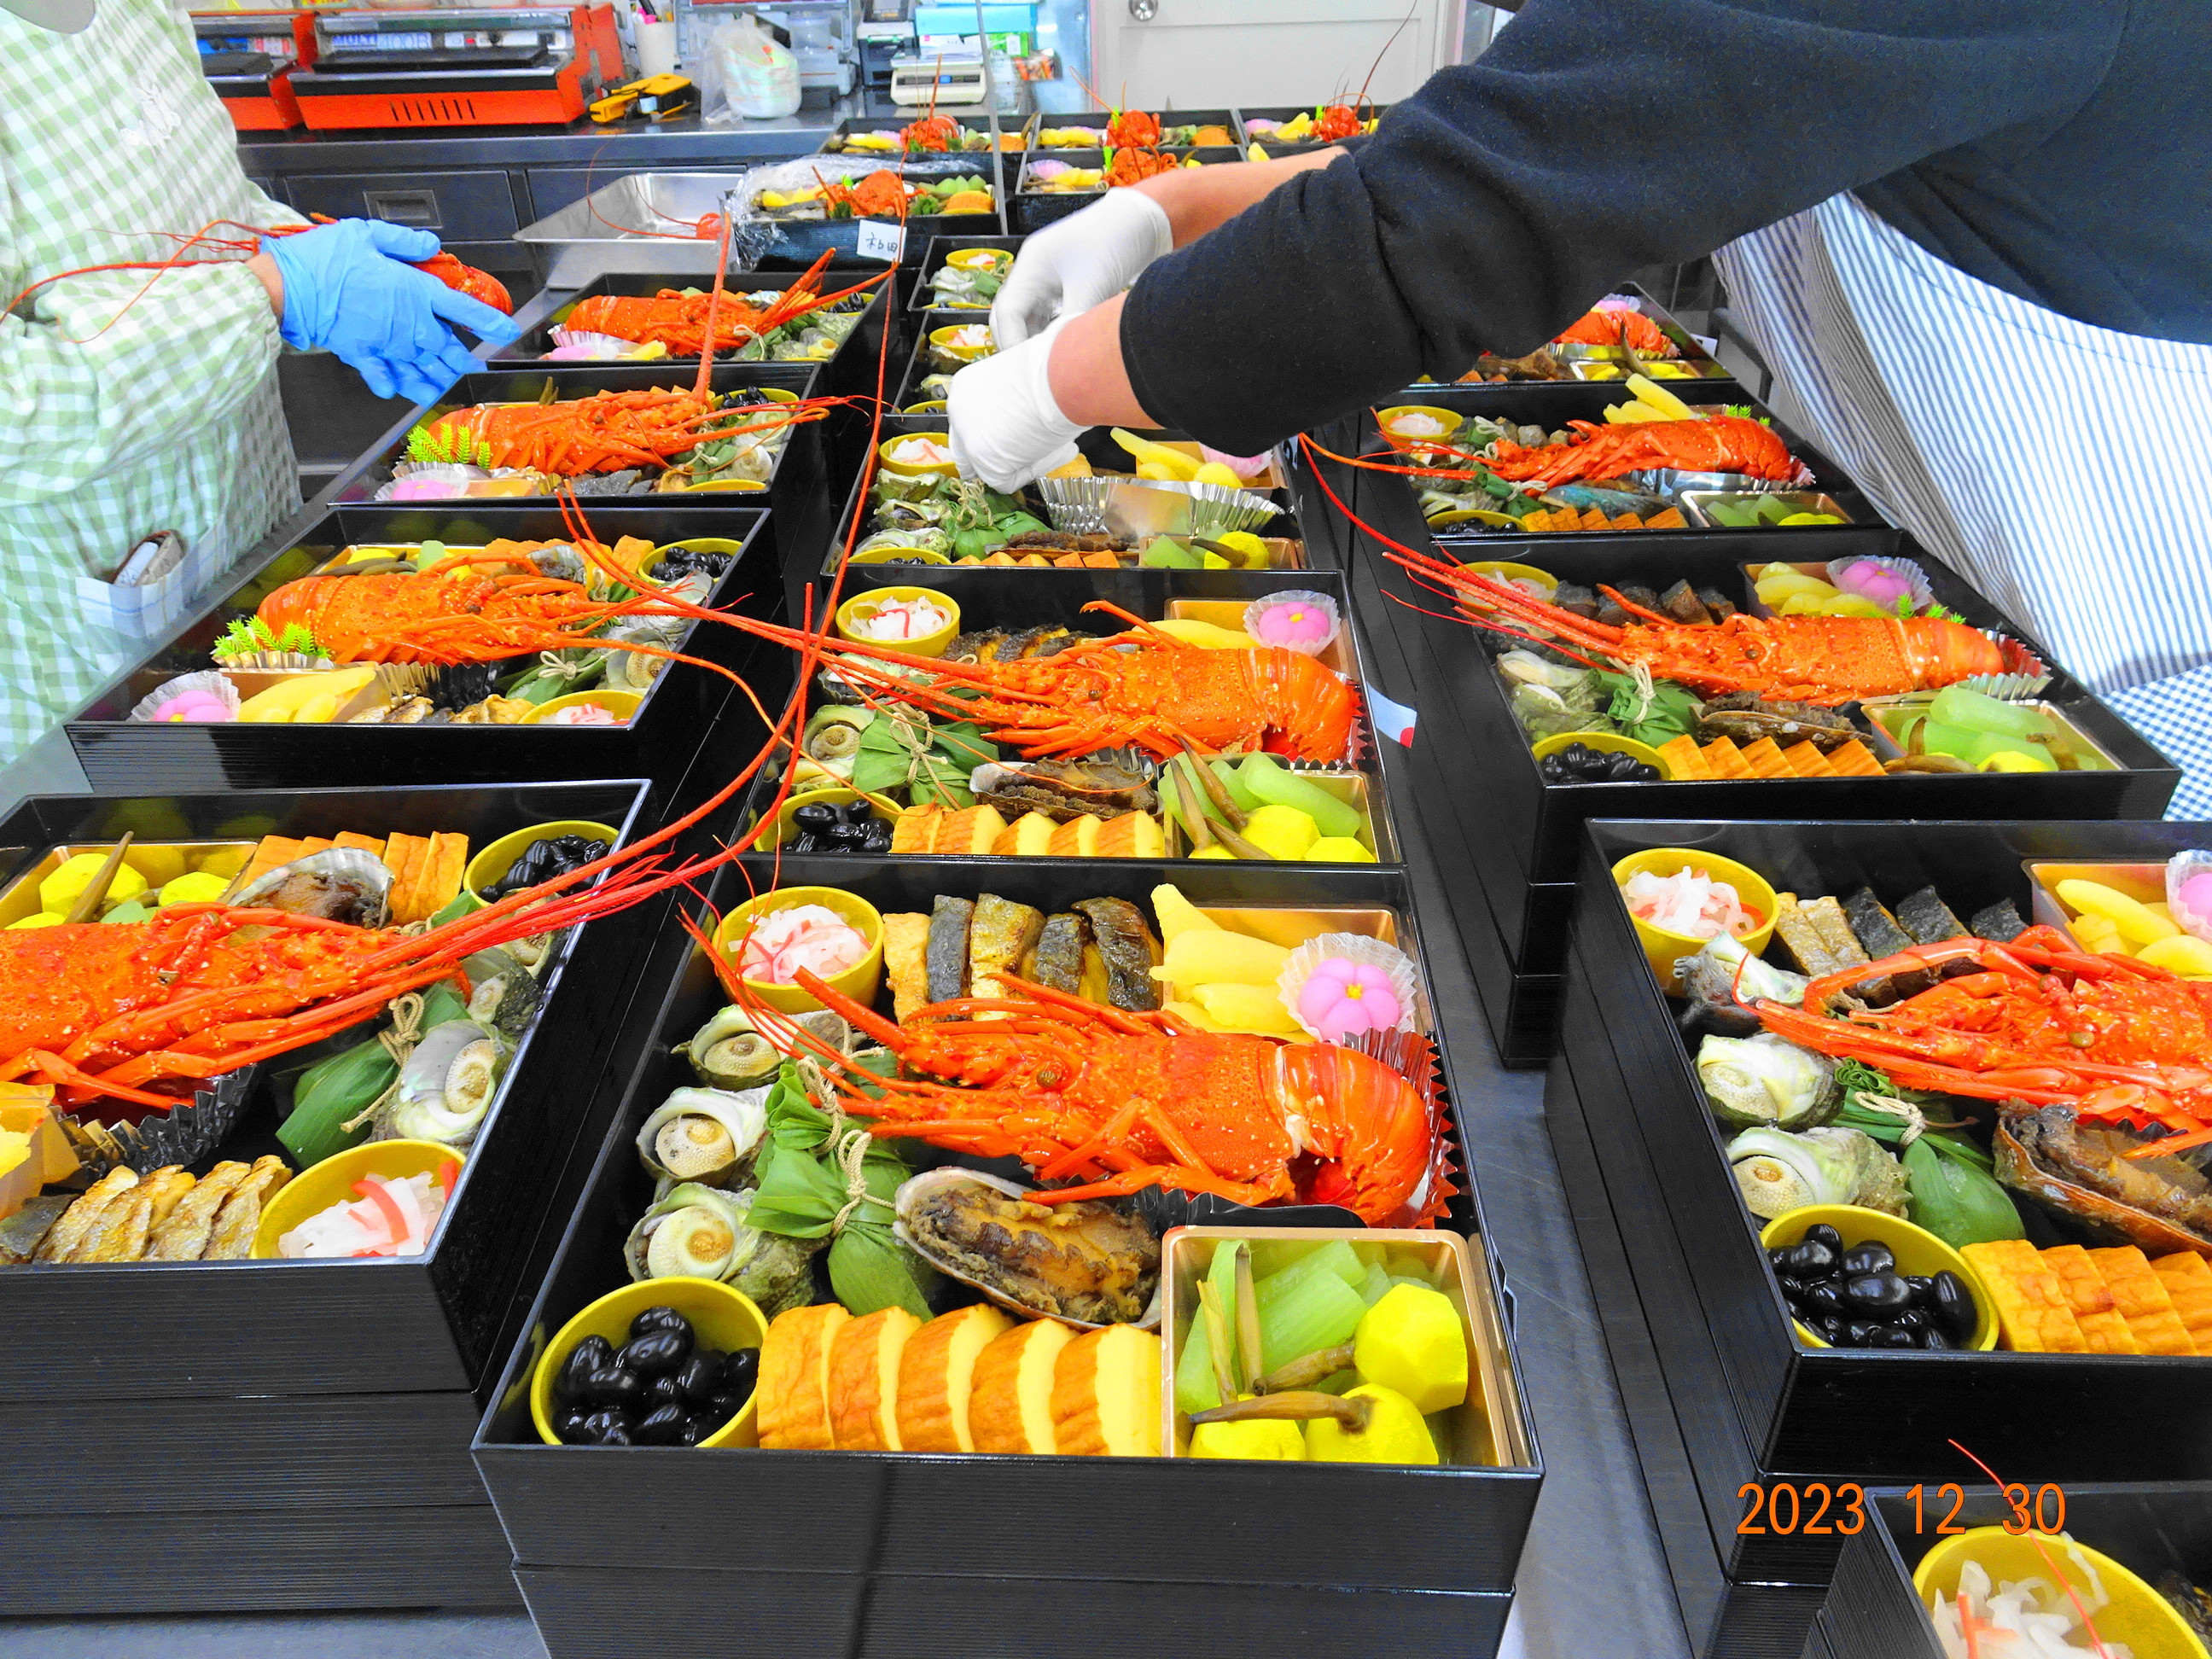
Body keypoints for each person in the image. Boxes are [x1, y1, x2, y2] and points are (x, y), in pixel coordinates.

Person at [948, 1, 2212, 813]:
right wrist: (1174, 208)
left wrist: (1057, 383)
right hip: (1942, 535)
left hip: (2134, 631)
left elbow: (1476, 205)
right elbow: (1586, 117)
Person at [0, 0, 518, 760]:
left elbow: (217, 208)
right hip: (71, 645)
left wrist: (309, 252)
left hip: (255, 541)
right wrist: (273, 292)